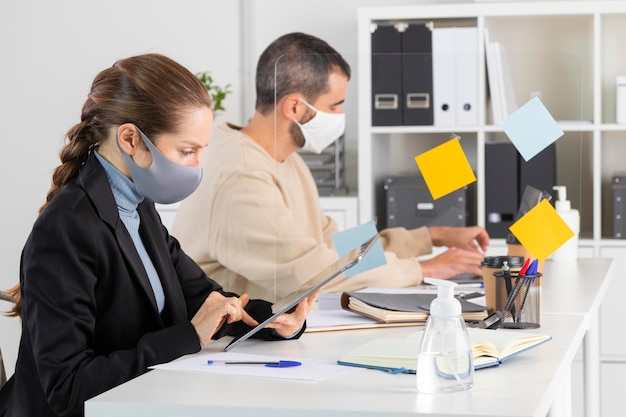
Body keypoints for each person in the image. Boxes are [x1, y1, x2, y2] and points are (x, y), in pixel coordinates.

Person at [0, 53, 315, 417]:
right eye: (187, 150)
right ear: (131, 139)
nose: (198, 166)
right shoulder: (66, 228)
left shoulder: (139, 206)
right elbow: (67, 388)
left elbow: (202, 298)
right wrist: (189, 337)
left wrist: (274, 319)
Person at [172, 32, 489, 302]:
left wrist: (430, 237)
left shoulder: (286, 159)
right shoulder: (242, 173)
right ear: (295, 107)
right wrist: (426, 269)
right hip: (230, 348)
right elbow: (308, 270)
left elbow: (335, 248)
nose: (340, 116)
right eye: (334, 105)